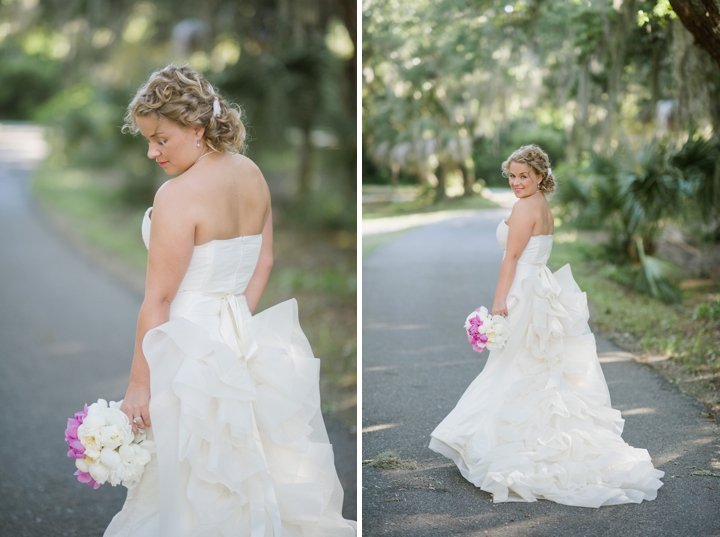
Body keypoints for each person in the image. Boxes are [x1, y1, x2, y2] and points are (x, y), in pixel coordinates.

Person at [106, 65, 356, 536]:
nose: (151, 151)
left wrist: (139, 386)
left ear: (196, 129)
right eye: (147, 139)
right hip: (238, 335)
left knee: (193, 476)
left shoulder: (177, 196)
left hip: (185, 344)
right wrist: (236, 316)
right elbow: (264, 263)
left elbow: (158, 300)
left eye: (160, 139)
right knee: (247, 463)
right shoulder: (252, 173)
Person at [429, 145, 664, 508]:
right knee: (535, 366)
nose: (517, 183)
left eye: (524, 176)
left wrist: (498, 302)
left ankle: (513, 446)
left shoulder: (525, 207)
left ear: (540, 176)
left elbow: (511, 257)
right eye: (512, 176)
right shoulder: (542, 206)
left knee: (518, 367)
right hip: (539, 287)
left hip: (524, 291)